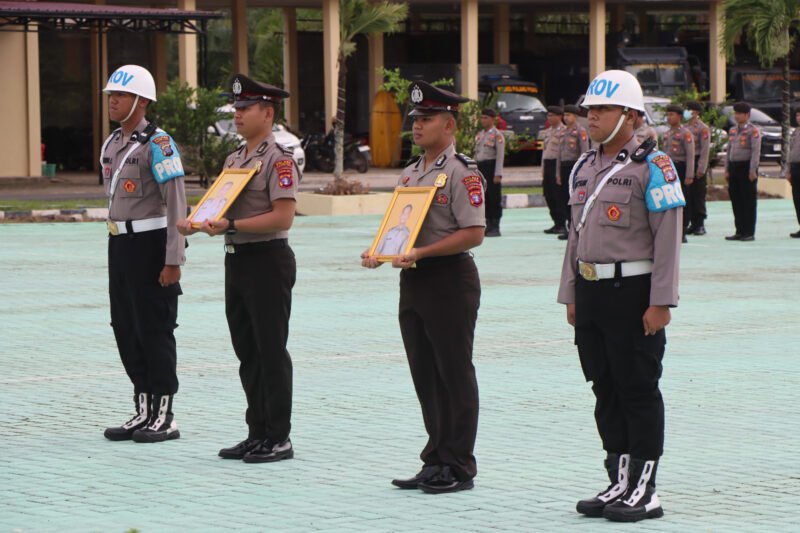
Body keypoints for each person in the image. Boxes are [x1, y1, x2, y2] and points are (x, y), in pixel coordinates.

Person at [557, 69, 684, 522]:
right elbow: (575, 235)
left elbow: (668, 237)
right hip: (591, 291)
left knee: (637, 388)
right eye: (589, 109)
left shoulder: (655, 166)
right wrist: (570, 293)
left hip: (633, 292)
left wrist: (662, 301)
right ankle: (619, 475)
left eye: (602, 109)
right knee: (604, 387)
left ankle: (645, 489)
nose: (591, 116)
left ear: (630, 116)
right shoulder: (585, 166)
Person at [361, 80, 485, 494]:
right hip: (414, 281)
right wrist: (379, 250)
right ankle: (436, 457)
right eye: (415, 119)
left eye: (426, 118)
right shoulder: (412, 171)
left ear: (449, 124)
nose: (417, 125)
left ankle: (459, 463)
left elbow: (474, 233)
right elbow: (401, 228)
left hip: (450, 279)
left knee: (454, 371)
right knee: (425, 374)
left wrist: (421, 252)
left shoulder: (461, 172)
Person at [177, 74, 299, 463]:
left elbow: (283, 217)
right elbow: (220, 207)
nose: (238, 114)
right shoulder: (235, 159)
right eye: (237, 108)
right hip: (238, 259)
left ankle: (278, 436)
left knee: (270, 350)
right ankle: (256, 431)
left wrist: (229, 226)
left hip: (267, 259)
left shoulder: (278, 159)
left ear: (268, 112)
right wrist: (196, 221)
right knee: (247, 350)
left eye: (246, 108)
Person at [101, 65, 187, 443]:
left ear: (141, 100)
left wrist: (174, 259)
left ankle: (164, 415)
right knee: (125, 327)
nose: (112, 100)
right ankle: (143, 408)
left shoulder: (159, 144)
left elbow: (176, 204)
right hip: (120, 244)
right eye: (110, 95)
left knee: (155, 328)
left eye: (119, 95)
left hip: (151, 247)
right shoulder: (112, 144)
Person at [725, 102, 761, 241]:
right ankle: (739, 230)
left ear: (747, 115)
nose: (737, 116)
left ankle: (749, 232)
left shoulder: (753, 130)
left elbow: (755, 152)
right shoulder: (733, 130)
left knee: (748, 201)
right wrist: (727, 169)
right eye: (736, 113)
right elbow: (729, 150)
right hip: (734, 167)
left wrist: (753, 170)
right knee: (736, 200)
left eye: (740, 113)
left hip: (746, 167)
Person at [556, 104, 590, 239]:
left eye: (568, 115)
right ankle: (568, 226)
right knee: (564, 198)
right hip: (564, 167)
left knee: (574, 199)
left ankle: (576, 227)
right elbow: (559, 154)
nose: (566, 118)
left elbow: (584, 153)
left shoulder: (580, 132)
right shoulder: (563, 132)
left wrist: (582, 171)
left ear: (575, 116)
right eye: (564, 115)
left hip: (574, 168)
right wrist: (557, 173)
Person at [664, 104, 695, 241]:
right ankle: (672, 231)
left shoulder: (685, 133)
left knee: (682, 201)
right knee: (670, 200)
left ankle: (682, 232)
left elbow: (690, 155)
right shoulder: (667, 133)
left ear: (680, 117)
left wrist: (689, 175)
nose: (669, 117)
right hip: (669, 170)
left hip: (681, 168)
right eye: (668, 114)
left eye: (672, 114)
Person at [474, 108, 505, 236]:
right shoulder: (480, 134)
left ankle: (495, 226)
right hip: (480, 168)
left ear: (493, 119)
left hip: (491, 167)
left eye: (486, 118)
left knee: (494, 197)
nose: (483, 120)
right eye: (482, 118)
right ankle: (487, 224)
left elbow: (500, 156)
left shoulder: (497, 135)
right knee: (484, 197)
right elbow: (476, 153)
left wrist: (498, 173)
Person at [685, 101, 711, 236]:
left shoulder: (702, 128)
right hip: (686, 162)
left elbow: (705, 150)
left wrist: (701, 168)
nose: (685, 112)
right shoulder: (683, 127)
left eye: (688, 110)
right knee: (687, 195)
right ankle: (691, 223)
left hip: (697, 161)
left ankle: (699, 224)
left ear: (695, 112)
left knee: (698, 195)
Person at [542, 105, 567, 234]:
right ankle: (556, 222)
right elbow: (544, 152)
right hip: (548, 164)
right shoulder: (548, 132)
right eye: (548, 115)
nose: (549, 118)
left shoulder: (564, 131)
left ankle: (562, 223)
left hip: (557, 165)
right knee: (548, 194)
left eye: (552, 115)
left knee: (558, 195)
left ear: (559, 117)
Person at [783, 109, 800, 238]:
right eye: (797, 115)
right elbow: (790, 152)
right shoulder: (795, 132)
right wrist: (788, 170)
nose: (798, 118)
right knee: (797, 198)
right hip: (795, 168)